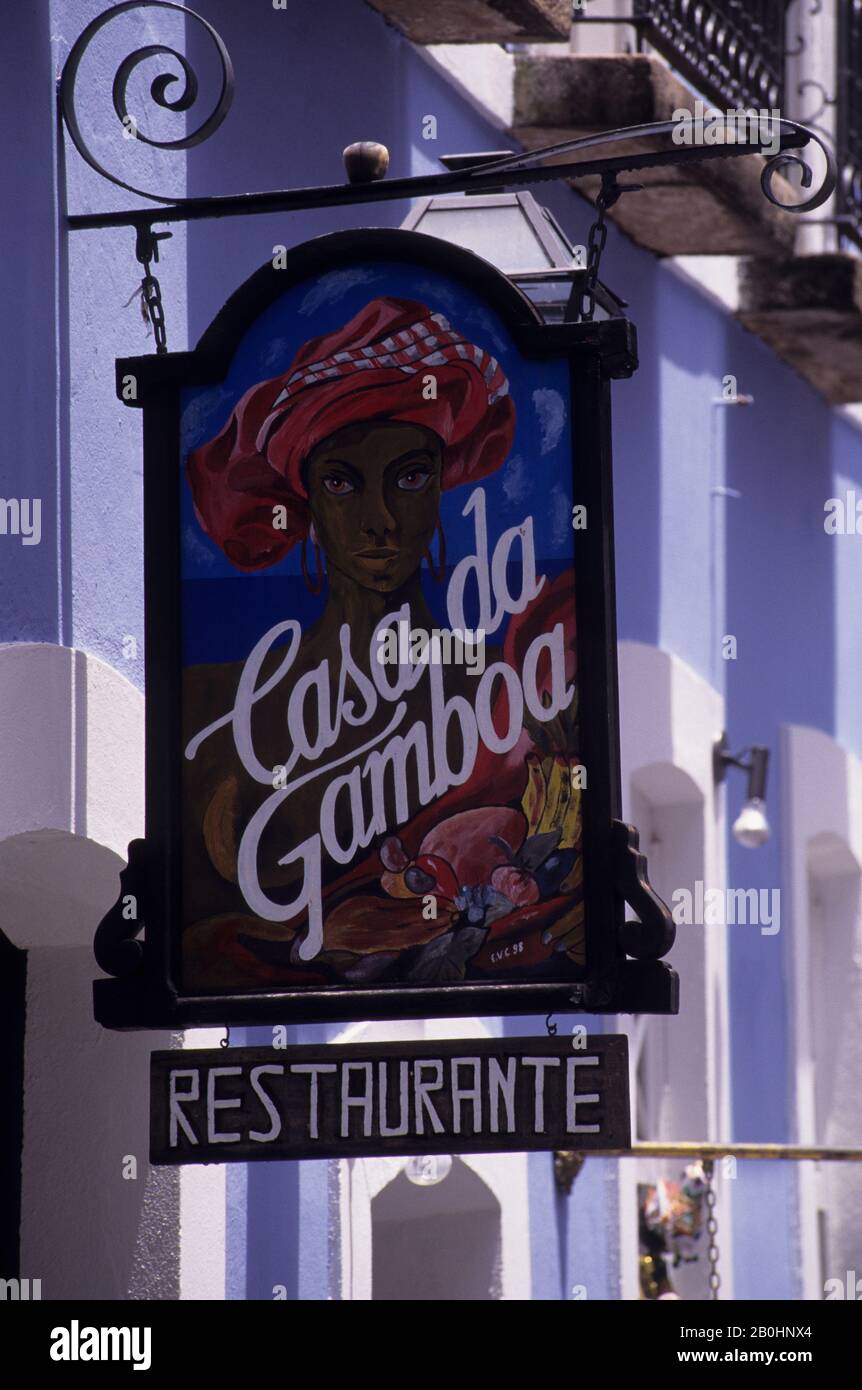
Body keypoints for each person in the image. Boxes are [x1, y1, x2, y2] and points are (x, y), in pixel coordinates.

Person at [181, 296, 582, 989]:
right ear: (305, 501)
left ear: (441, 488)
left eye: (410, 476)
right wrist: (308, 942)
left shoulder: (515, 693)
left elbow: (567, 912)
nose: (380, 519)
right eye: (341, 483)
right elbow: (185, 941)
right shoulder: (216, 710)